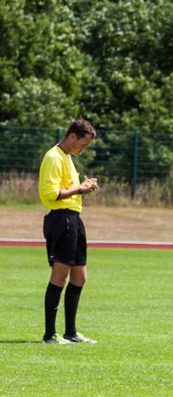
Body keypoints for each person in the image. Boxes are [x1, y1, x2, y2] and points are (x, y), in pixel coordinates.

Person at [39, 119, 99, 344]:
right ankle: (49, 335)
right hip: (61, 219)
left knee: (80, 276)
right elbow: (51, 194)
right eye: (82, 144)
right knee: (60, 276)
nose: (82, 149)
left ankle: (70, 332)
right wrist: (80, 189)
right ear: (72, 136)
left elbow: (69, 190)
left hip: (74, 218)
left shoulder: (67, 158)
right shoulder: (53, 157)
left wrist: (83, 187)